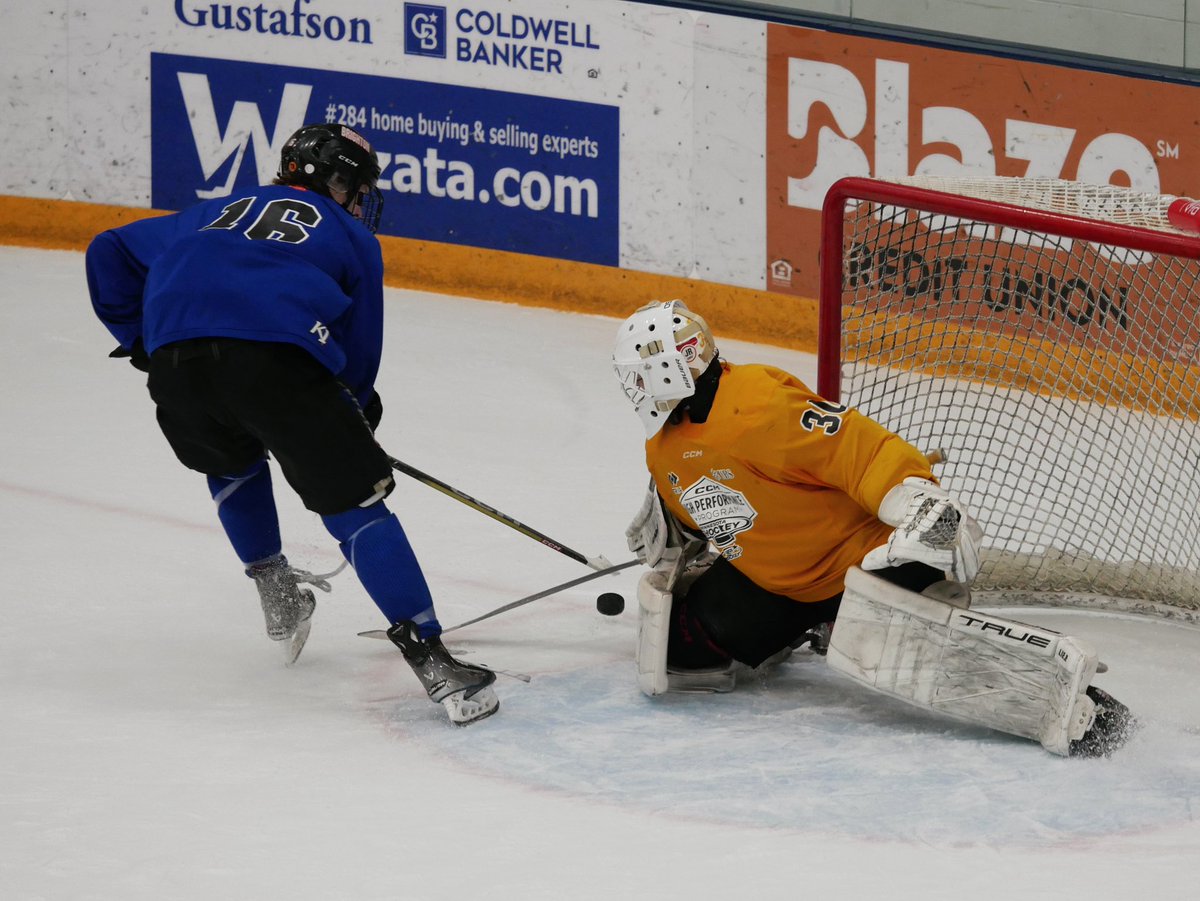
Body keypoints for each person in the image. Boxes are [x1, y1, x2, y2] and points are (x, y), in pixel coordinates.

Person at [85, 122, 498, 725]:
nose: (360, 200)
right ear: (340, 182)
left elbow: (109, 249)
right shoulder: (351, 235)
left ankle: (278, 597)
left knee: (230, 462)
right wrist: (350, 414)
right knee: (355, 504)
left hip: (178, 364)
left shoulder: (214, 211)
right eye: (358, 187)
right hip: (278, 362)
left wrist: (146, 339)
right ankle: (436, 664)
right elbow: (358, 355)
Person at [611, 299, 1134, 757]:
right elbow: (715, 511)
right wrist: (674, 526)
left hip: (863, 560)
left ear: (665, 373)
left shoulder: (760, 406)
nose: (633, 389)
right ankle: (816, 626)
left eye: (637, 375)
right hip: (778, 588)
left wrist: (917, 498)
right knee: (680, 648)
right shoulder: (662, 450)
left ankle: (1080, 707)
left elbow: (860, 451)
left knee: (902, 649)